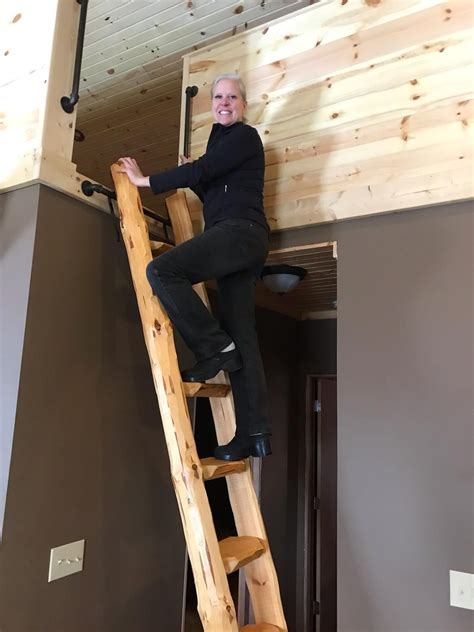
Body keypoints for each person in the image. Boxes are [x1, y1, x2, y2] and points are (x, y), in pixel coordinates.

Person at [118, 73, 271, 461]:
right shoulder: (223, 142)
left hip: (239, 233)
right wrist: (196, 175)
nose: (224, 102)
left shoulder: (245, 136)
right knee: (244, 339)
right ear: (211, 104)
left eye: (232, 96)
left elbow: (203, 172)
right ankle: (254, 434)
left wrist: (144, 180)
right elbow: (213, 186)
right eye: (218, 96)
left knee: (162, 271)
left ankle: (214, 346)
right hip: (242, 239)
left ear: (244, 104)